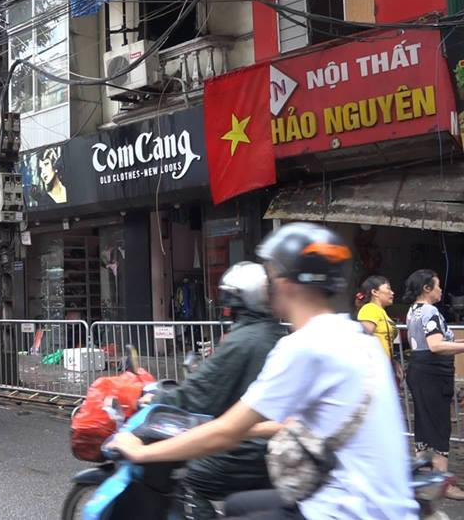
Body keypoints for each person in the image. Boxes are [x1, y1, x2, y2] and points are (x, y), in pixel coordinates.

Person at [107, 222, 418, 519]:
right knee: (239, 506)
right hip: (384, 502)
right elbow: (298, 421)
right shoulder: (354, 337)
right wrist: (242, 426)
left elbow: (226, 433)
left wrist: (141, 452)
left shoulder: (304, 345)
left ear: (283, 282)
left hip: (345, 509)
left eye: (271, 275)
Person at [141, 261, 284, 519]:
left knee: (191, 479)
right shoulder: (273, 334)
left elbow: (199, 394)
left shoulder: (242, 341)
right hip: (271, 447)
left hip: (247, 448)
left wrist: (157, 398)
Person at [403, 269, 464, 499]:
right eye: (437, 286)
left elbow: (429, 342)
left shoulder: (413, 311)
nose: (440, 290)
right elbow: (436, 345)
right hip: (432, 374)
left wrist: (458, 342)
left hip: (419, 370)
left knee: (423, 424)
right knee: (439, 427)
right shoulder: (429, 310)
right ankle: (441, 482)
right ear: (426, 289)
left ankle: (421, 477)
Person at [355, 276, 398, 358]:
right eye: (388, 289)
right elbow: (364, 339)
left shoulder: (380, 311)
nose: (392, 293)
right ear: (375, 292)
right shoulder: (370, 309)